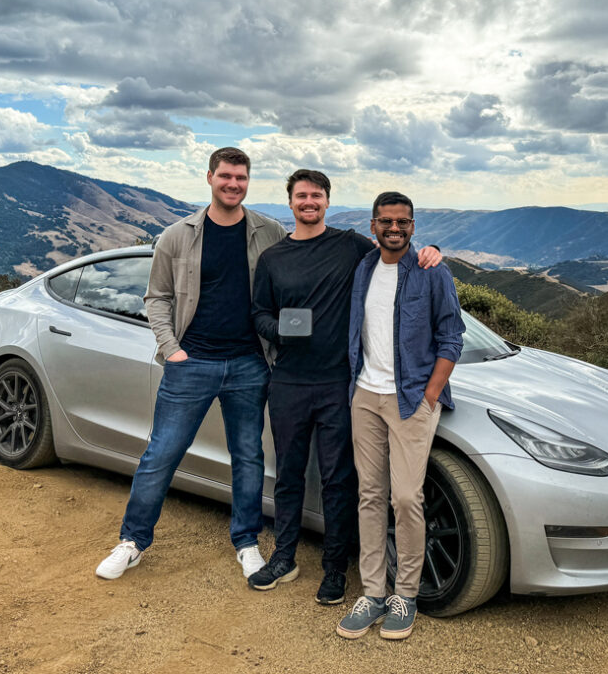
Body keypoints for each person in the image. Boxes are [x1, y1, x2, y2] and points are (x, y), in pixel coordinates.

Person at [247, 171, 441, 605]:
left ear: (327, 201)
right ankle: (284, 557)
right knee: (289, 476)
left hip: (340, 383)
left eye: (316, 195)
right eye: (301, 196)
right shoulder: (273, 258)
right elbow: (258, 314)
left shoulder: (351, 246)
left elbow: (397, 253)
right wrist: (280, 330)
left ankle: (334, 568)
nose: (309, 202)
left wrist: (433, 251)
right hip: (289, 383)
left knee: (339, 480)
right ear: (291, 202)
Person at [95, 147, 286, 582]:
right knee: (161, 453)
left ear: (248, 181)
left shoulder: (268, 231)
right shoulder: (177, 235)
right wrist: (172, 348)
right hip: (191, 362)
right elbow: (156, 298)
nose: (233, 184)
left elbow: (303, 262)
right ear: (209, 178)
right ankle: (132, 542)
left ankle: (247, 542)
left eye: (240, 177)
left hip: (248, 365)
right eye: (225, 176)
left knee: (248, 457)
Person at [336, 191, 464, 641]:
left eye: (403, 222)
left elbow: (452, 338)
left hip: (410, 400)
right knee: (370, 495)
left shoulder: (433, 272)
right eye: (386, 221)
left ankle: (404, 595)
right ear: (373, 225)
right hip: (364, 397)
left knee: (407, 498)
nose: (394, 228)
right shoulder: (364, 268)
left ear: (414, 225)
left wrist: (430, 395)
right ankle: (372, 592)